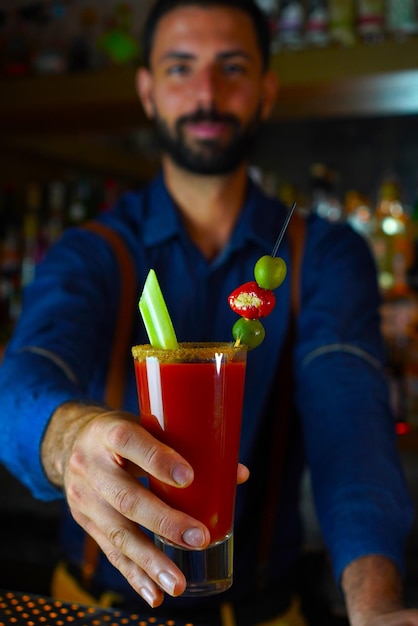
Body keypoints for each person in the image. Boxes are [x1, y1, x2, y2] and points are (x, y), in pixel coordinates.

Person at [0, 1, 417, 624]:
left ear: (266, 90)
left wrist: (375, 603)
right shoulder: (93, 251)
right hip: (100, 609)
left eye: (232, 67)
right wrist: (68, 439)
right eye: (179, 68)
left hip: (266, 612)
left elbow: (350, 419)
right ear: (146, 91)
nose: (206, 93)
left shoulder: (325, 255)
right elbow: (24, 373)